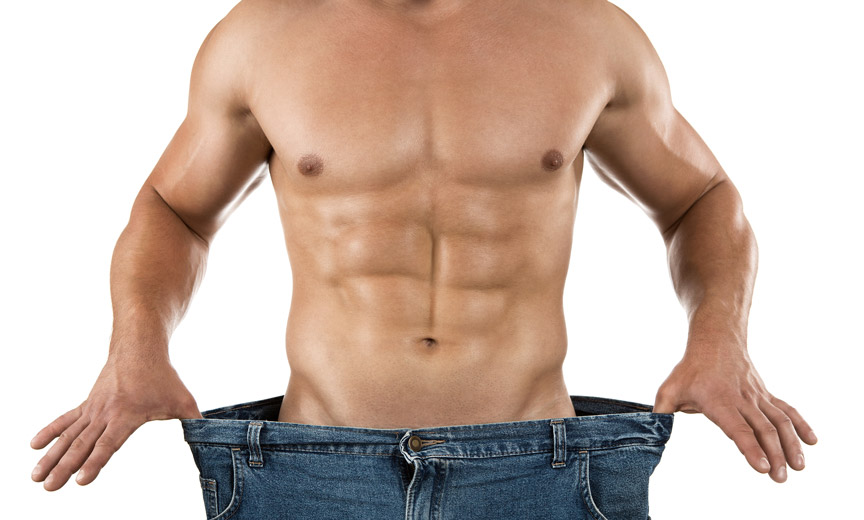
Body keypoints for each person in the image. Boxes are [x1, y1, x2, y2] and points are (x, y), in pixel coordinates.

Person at [30, 0, 817, 517]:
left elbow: (700, 196)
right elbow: (173, 209)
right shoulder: (263, 36)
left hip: (539, 473)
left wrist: (720, 339)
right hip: (312, 477)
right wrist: (135, 347)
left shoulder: (587, 32)